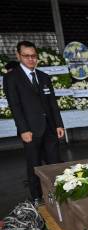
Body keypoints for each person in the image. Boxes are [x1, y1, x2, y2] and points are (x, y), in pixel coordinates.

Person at [4, 41, 64, 202]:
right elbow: (15, 106)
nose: (31, 59)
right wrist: (23, 129)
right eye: (26, 56)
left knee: (55, 163)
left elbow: (52, 103)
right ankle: (37, 197)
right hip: (30, 130)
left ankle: (58, 195)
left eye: (34, 56)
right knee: (34, 165)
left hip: (50, 128)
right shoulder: (11, 78)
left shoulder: (44, 77)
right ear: (18, 56)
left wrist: (59, 124)